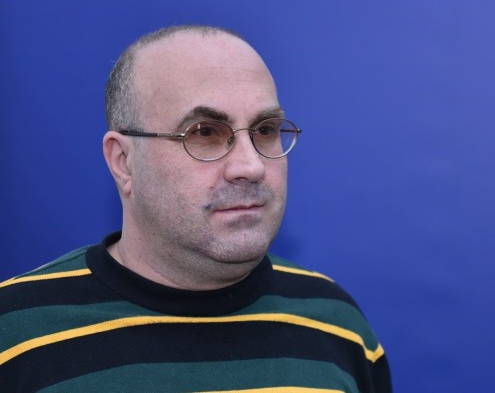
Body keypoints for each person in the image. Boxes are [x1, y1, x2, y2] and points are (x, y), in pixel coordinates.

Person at [0, 25, 392, 392]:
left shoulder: (337, 325)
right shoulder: (16, 334)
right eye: (204, 133)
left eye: (265, 130)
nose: (251, 166)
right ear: (123, 162)